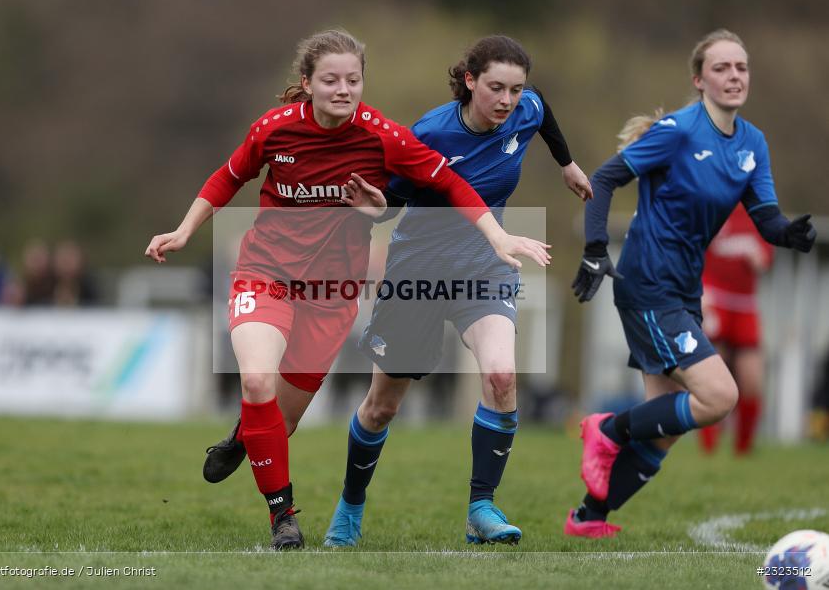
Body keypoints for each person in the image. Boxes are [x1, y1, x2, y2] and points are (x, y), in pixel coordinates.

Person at [146, 29, 551, 550]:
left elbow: (447, 183)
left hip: (332, 293)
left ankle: (245, 436)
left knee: (279, 421)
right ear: (307, 84)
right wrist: (184, 230)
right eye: (331, 80)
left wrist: (492, 233)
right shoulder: (274, 130)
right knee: (256, 383)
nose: (344, 89)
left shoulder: (384, 136)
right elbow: (227, 177)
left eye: (353, 80)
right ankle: (284, 519)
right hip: (266, 273)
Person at [315, 35, 593, 547]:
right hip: (417, 268)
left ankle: (481, 508)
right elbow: (392, 205)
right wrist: (370, 206)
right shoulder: (430, 133)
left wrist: (566, 163)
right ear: (469, 81)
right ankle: (350, 507)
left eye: (515, 89)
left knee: (503, 376)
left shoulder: (526, 109)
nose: (507, 101)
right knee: (382, 406)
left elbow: (543, 111)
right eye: (495, 88)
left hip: (485, 264)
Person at [566, 29, 816, 538]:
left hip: (683, 289)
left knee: (667, 429)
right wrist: (595, 251)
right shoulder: (679, 131)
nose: (734, 76)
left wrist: (789, 234)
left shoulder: (753, 143)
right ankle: (605, 427)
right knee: (720, 395)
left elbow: (765, 217)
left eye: (741, 67)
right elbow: (605, 178)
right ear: (699, 80)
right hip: (647, 283)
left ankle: (587, 518)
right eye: (722, 68)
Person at [698, 203, 773, 455]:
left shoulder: (760, 209)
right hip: (714, 296)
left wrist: (759, 259)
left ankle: (743, 449)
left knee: (751, 378)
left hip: (745, 303)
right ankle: (709, 447)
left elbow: (766, 259)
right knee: (714, 372)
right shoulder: (713, 201)